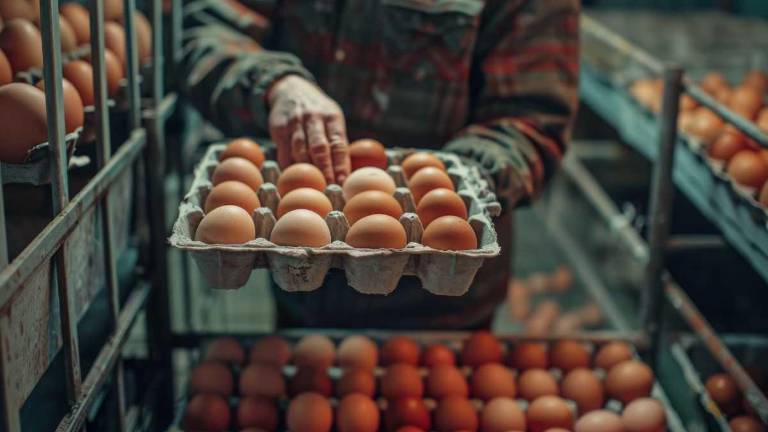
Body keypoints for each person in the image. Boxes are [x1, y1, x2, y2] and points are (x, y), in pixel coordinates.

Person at [182, 0, 580, 328]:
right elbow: (207, 31)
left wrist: (448, 191)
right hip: (300, 274)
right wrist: (275, 84)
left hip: (444, 299)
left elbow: (531, 121)